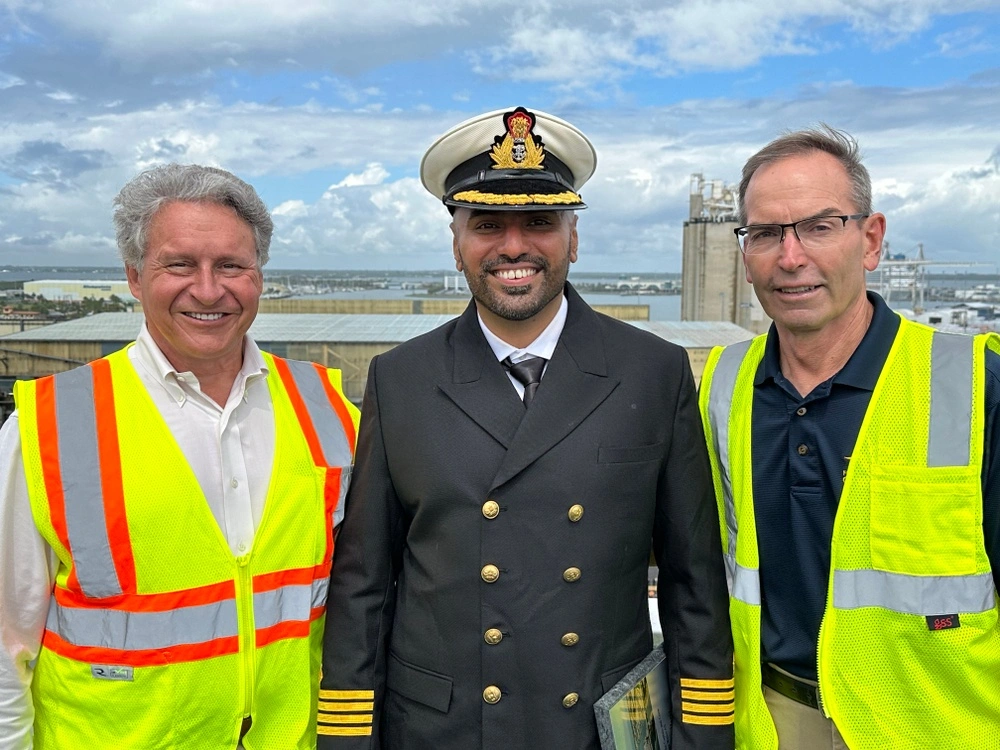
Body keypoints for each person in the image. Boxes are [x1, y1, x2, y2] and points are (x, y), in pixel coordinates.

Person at [317, 106, 734, 749]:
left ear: (573, 239)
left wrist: (703, 736)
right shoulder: (400, 379)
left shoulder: (653, 373)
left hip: (597, 726)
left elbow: (692, 580)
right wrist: (347, 738)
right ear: (457, 244)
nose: (514, 247)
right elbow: (364, 585)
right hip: (442, 729)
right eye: (487, 225)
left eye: (540, 222)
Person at [0, 164, 359, 749]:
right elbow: (4, 647)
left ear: (260, 276)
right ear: (135, 278)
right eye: (180, 264)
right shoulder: (47, 426)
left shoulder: (331, 410)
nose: (210, 289)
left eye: (232, 266)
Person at [697, 126, 1000, 749]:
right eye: (765, 234)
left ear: (870, 240)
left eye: (819, 225)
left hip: (934, 728)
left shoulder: (974, 384)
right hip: (773, 723)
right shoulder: (723, 384)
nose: (790, 257)